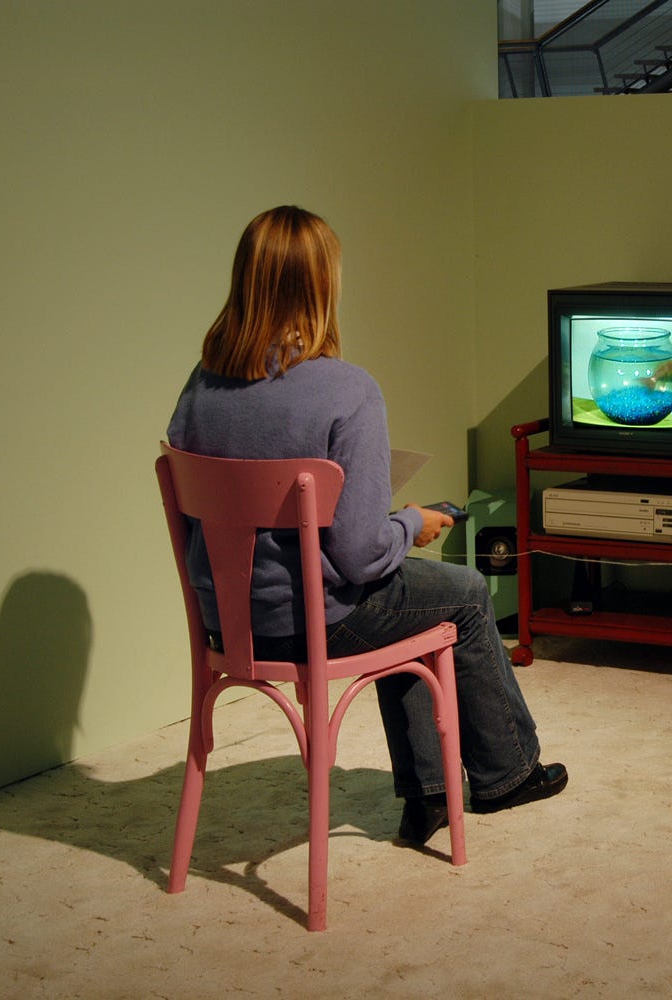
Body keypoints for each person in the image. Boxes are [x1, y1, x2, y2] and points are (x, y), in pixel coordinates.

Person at [167, 205, 566, 847]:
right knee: (459, 593)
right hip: (319, 623)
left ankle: (431, 794)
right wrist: (411, 521)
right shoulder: (348, 391)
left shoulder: (200, 388)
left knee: (409, 600)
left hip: (229, 622)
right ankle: (507, 774)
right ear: (323, 285)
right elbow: (359, 556)